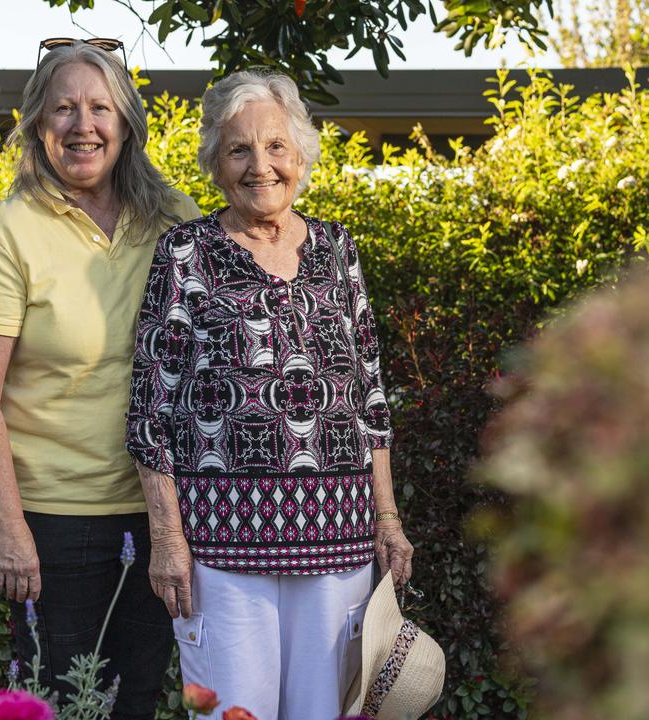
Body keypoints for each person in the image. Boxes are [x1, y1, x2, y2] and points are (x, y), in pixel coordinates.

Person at [125, 69, 414, 719]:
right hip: (224, 550)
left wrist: (387, 520)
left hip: (339, 541)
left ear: (301, 154)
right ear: (215, 164)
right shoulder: (185, 253)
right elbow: (151, 410)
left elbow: (370, 395)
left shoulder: (338, 248)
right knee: (234, 714)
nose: (262, 166)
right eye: (239, 149)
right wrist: (167, 537)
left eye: (276, 146)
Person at [0, 39, 201, 719]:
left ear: (127, 124)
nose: (82, 124)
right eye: (62, 108)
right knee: (58, 704)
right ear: (36, 124)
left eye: (99, 107)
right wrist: (7, 527)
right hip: (56, 525)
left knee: (139, 700)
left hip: (165, 515)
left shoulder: (175, 221)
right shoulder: (6, 234)